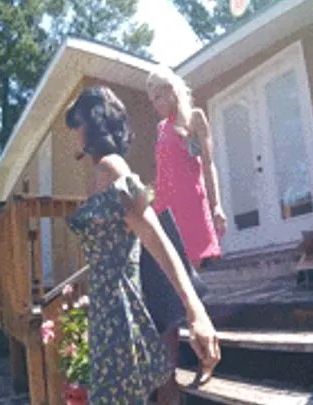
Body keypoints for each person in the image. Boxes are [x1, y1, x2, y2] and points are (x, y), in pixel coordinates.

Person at [64, 86, 221, 405]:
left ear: (94, 123)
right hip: (105, 312)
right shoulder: (99, 173)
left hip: (121, 313)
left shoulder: (112, 169)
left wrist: (195, 310)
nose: (75, 132)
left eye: (78, 123)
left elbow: (156, 238)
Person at [143, 64, 226, 404]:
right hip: (166, 216)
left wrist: (218, 206)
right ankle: (168, 379)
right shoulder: (160, 128)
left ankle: (207, 360)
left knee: (189, 295)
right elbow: (162, 176)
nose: (155, 101)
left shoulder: (194, 119)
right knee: (169, 298)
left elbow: (209, 164)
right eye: (151, 97)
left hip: (192, 214)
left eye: (159, 93)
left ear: (172, 89)